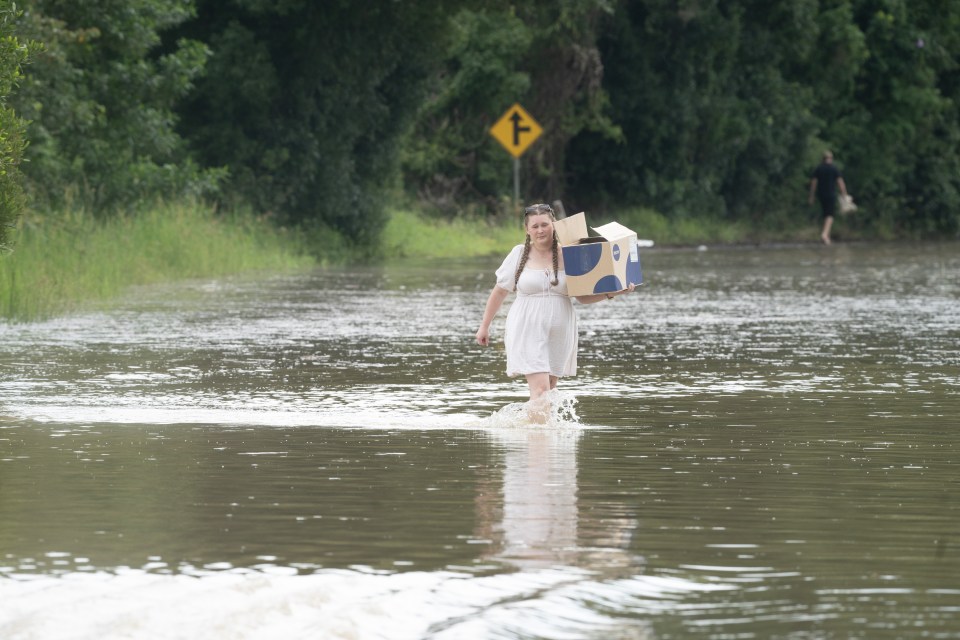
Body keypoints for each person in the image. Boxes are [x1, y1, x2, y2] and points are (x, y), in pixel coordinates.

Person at [475, 203, 634, 422]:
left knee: (548, 389)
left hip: (561, 329)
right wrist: (485, 326)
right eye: (535, 226)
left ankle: (535, 438)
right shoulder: (519, 254)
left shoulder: (571, 254)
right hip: (527, 326)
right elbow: (500, 291)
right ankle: (540, 445)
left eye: (545, 225)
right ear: (527, 229)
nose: (540, 230)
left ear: (554, 226)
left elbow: (582, 297)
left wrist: (614, 292)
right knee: (540, 390)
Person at [808, 150, 849, 245]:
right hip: (831, 194)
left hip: (821, 194)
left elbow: (813, 183)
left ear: (823, 159)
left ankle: (826, 237)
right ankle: (825, 234)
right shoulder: (834, 168)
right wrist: (845, 195)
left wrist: (811, 196)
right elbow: (840, 182)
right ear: (831, 158)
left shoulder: (818, 169)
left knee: (825, 214)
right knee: (830, 215)